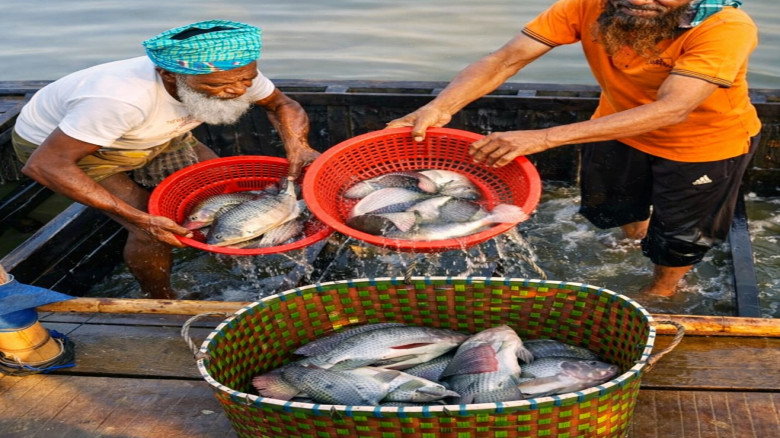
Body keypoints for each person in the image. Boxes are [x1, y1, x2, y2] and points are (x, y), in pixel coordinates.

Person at [387, 0, 760, 297]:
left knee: (681, 236)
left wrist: (544, 137)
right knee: (614, 206)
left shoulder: (725, 26)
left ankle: (662, 289)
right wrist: (441, 107)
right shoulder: (589, 5)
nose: (639, 0)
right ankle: (636, 238)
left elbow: (673, 108)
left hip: (703, 145)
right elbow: (505, 59)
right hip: (614, 127)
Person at [12, 20, 320, 300]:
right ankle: (161, 298)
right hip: (69, 150)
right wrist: (138, 218)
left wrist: (299, 145)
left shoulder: (232, 70)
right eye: (216, 86)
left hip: (156, 134)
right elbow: (45, 164)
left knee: (220, 189)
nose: (237, 90)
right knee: (154, 228)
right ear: (169, 74)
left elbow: (282, 104)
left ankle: (224, 250)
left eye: (246, 80)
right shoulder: (119, 99)